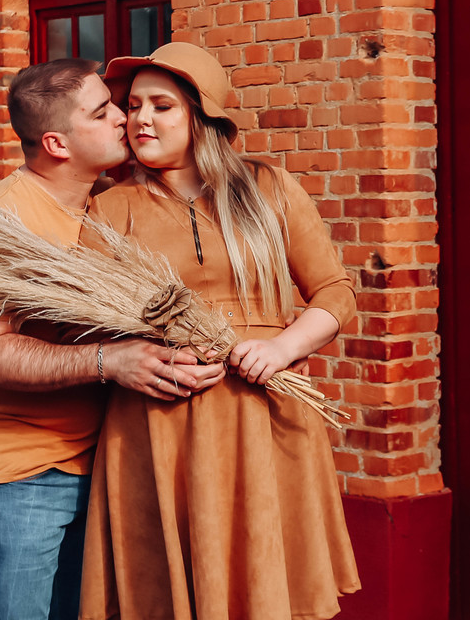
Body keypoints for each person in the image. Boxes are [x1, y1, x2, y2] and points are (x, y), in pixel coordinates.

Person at [0, 58, 226, 620]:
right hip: (15, 473)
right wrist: (111, 362)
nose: (122, 118)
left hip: (98, 461)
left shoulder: (105, 204)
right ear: (57, 143)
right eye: (101, 112)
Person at [79, 43, 361, 620]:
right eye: (133, 106)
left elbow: (336, 292)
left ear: (202, 115)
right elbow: (87, 327)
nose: (140, 119)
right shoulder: (109, 209)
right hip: (161, 427)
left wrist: (283, 347)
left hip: (264, 418)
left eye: (161, 106)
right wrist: (137, 355)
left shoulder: (269, 188)